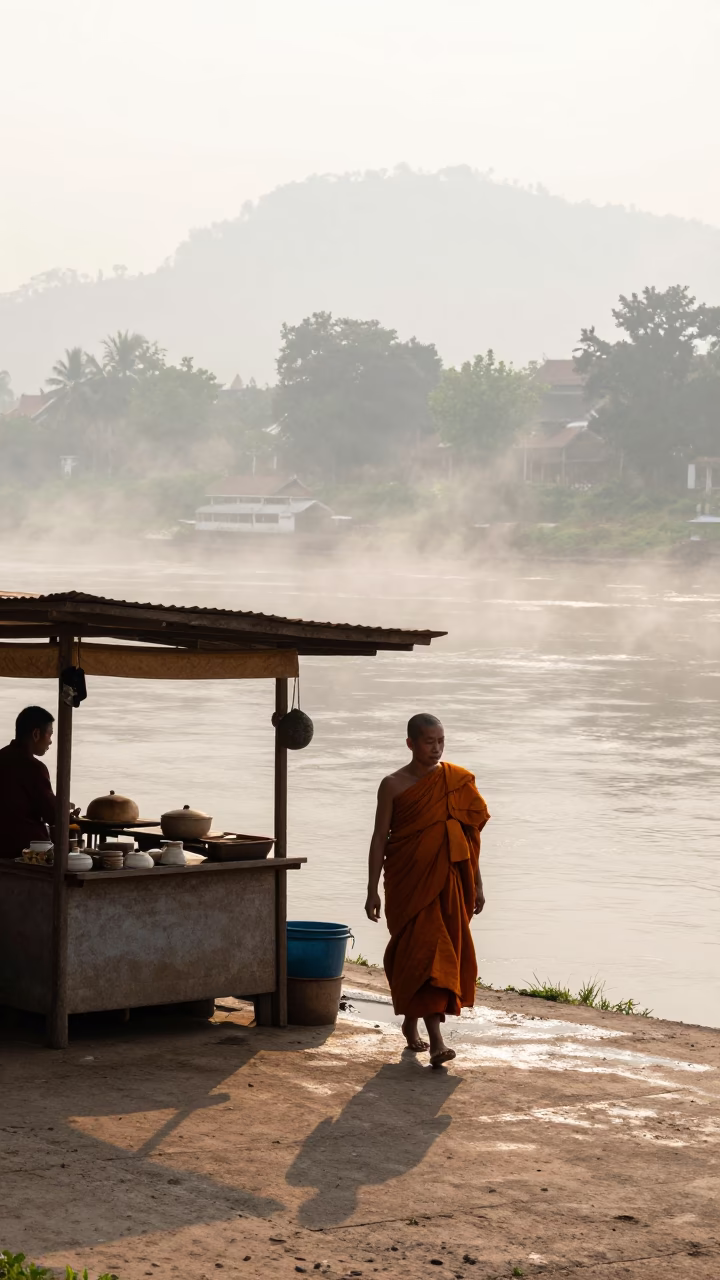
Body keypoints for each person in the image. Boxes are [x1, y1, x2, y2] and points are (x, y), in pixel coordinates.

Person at [365, 713, 489, 1068]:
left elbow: (470, 838)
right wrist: (372, 888)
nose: (436, 749)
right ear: (410, 744)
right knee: (419, 956)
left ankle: (414, 1024)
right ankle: (437, 1041)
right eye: (428, 742)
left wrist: (477, 883)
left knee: (435, 958)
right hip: (409, 883)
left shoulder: (456, 781)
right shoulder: (392, 784)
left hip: (448, 882)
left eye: (440, 742)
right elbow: (379, 839)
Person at [0, 706, 56, 859]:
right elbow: (53, 814)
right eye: (50, 734)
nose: (50, 741)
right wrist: (65, 810)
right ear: (36, 734)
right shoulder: (34, 768)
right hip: (24, 851)